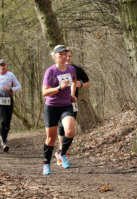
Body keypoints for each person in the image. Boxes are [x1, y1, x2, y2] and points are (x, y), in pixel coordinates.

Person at [42, 45, 77, 175]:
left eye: (65, 54)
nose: (63, 56)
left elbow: (74, 81)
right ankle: (46, 163)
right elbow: (44, 92)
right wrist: (59, 88)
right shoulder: (51, 71)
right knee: (50, 138)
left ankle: (62, 154)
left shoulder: (72, 69)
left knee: (70, 130)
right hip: (51, 107)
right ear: (55, 56)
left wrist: (72, 94)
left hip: (66, 105)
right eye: (60, 54)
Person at [55, 49, 90, 166]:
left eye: (70, 56)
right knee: (61, 127)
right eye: (66, 56)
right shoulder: (57, 69)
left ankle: (62, 152)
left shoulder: (77, 69)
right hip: (59, 102)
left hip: (73, 102)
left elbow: (88, 84)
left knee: (70, 129)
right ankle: (62, 152)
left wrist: (80, 84)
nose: (68, 58)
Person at [0, 59, 21, 152]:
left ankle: (4, 138)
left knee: (7, 123)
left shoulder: (11, 75)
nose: (2, 67)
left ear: (6, 66)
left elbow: (19, 87)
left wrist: (10, 89)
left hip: (9, 101)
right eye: (0, 65)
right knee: (2, 120)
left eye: (4, 65)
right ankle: (4, 142)